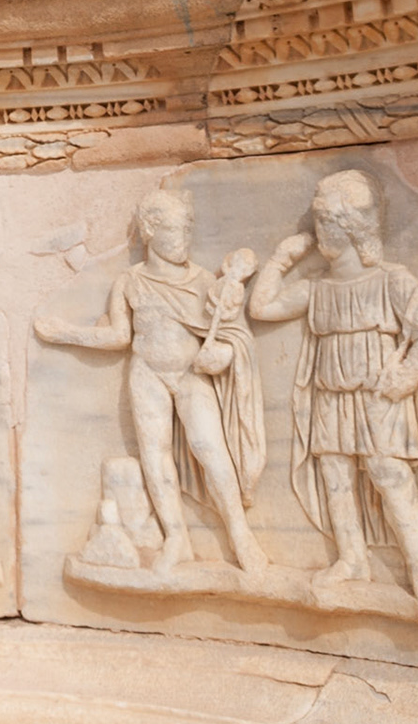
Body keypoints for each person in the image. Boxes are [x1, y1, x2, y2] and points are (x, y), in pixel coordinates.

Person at [248, 170, 418, 610]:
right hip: (331, 395)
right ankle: (351, 559)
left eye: (325, 221)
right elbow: (262, 307)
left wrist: (404, 378)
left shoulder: (393, 280)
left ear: (350, 228)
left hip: (378, 396)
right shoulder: (318, 288)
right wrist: (279, 260)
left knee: (390, 475)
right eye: (318, 220)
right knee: (335, 477)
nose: (317, 231)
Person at [34, 190, 268, 573]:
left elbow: (233, 335)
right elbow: (118, 337)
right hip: (147, 373)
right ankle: (176, 538)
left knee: (209, 447)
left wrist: (220, 356)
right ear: (149, 231)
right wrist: (65, 332)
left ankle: (241, 535)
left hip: (191, 374)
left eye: (188, 231)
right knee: (155, 455)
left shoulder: (204, 280)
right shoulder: (130, 281)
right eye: (175, 231)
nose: (184, 240)